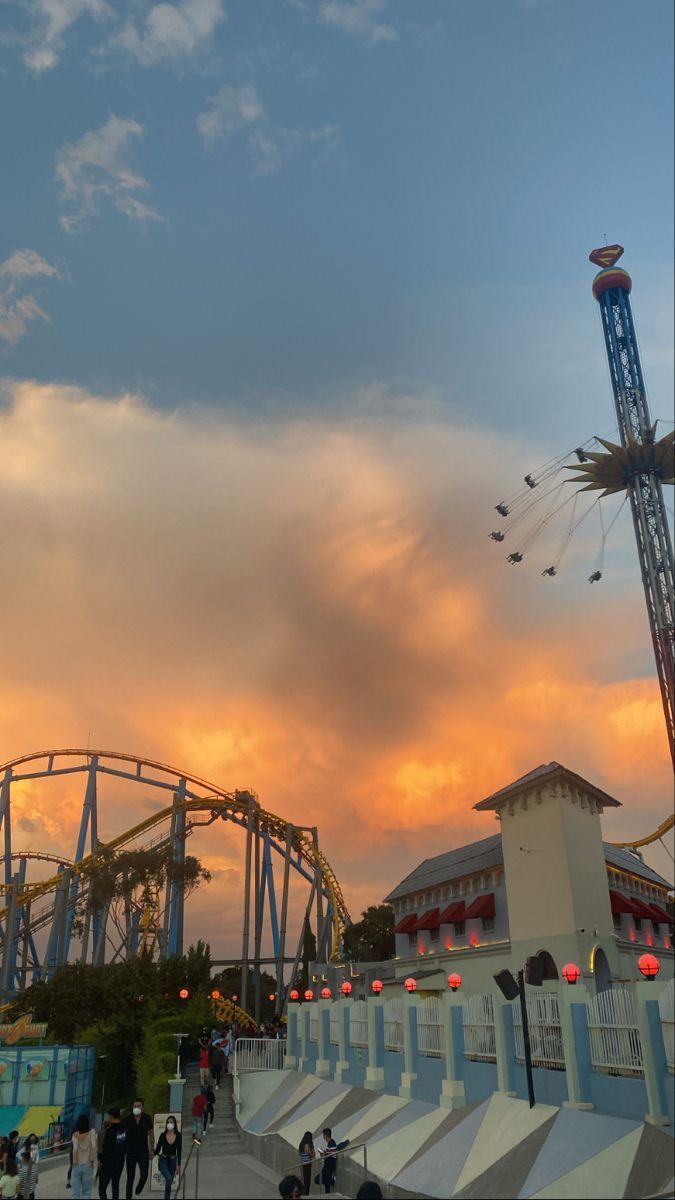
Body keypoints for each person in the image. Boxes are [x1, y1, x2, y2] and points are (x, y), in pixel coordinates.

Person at [122, 1099, 153, 1200]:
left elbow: (151, 1134)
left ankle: (138, 1190)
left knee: (144, 1175)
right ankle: (128, 1197)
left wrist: (152, 1149)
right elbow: (122, 1135)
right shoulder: (127, 1120)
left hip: (143, 1152)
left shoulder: (147, 1118)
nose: (136, 1108)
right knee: (130, 1177)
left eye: (139, 1106)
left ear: (142, 1107)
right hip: (130, 1152)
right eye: (135, 1106)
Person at [98, 1107, 127, 1200]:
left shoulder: (110, 1131)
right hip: (120, 1161)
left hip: (109, 1162)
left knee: (102, 1188)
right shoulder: (123, 1129)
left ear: (111, 1116)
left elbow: (106, 1148)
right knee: (115, 1185)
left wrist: (101, 1160)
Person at [70, 1114, 97, 1200]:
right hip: (87, 1165)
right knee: (86, 1192)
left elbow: (75, 1149)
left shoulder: (75, 1135)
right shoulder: (92, 1132)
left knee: (75, 1193)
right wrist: (91, 1160)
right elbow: (94, 1146)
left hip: (77, 1165)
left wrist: (74, 1162)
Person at [154, 1118, 181, 1200]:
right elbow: (158, 1148)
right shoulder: (162, 1135)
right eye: (168, 1122)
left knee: (169, 1182)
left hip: (173, 1161)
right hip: (163, 1160)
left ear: (174, 1124)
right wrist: (152, 1154)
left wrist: (179, 1165)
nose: (169, 1123)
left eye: (171, 1122)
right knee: (169, 1178)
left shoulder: (179, 1135)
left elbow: (179, 1150)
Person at [297, 1132, 314, 1196]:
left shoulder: (301, 1144)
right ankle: (306, 1194)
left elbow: (300, 1155)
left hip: (302, 1164)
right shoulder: (307, 1145)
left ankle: (304, 1193)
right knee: (307, 1181)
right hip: (308, 1164)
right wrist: (312, 1152)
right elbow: (311, 1154)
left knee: (304, 1180)